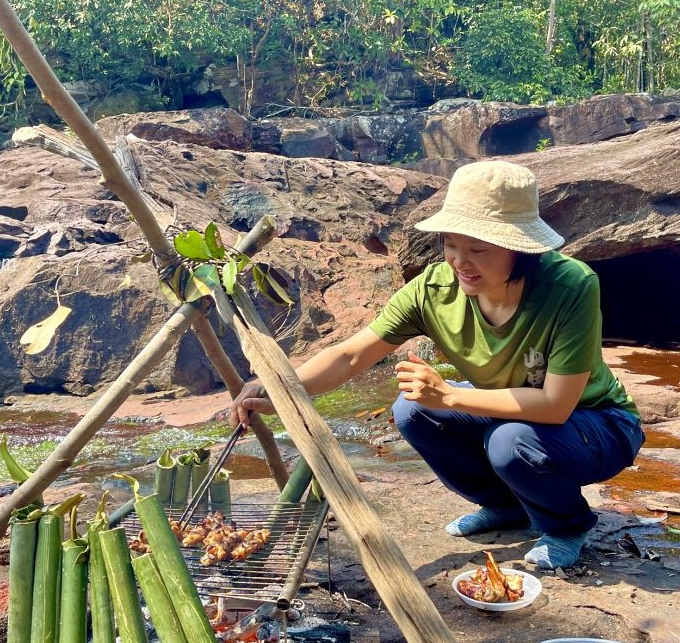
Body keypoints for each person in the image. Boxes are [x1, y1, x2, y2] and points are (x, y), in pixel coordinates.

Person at [231, 160, 644, 569]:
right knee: (412, 409)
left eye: (478, 249)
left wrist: (449, 395)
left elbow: (555, 405)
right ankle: (506, 505)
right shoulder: (434, 289)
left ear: (520, 247)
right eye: (451, 244)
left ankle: (568, 525)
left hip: (597, 422)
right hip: (523, 418)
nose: (460, 262)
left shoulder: (571, 286)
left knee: (509, 443)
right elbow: (352, 354)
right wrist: (280, 390)